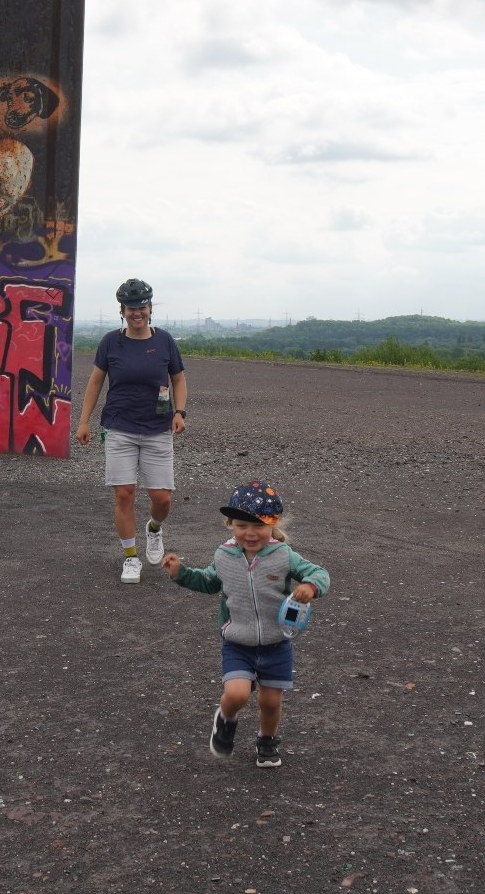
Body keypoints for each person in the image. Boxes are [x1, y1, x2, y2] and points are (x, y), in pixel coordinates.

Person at [161, 480, 331, 768]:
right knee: (237, 694)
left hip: (277, 642)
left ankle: (267, 740)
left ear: (273, 524)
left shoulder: (283, 555)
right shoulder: (223, 556)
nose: (250, 533)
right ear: (230, 524)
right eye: (241, 525)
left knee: (270, 702)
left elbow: (319, 573)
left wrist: (311, 588)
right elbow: (207, 582)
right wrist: (181, 573)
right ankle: (225, 719)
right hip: (237, 642)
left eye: (258, 526)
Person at [75, 278, 187, 583]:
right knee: (124, 493)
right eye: (131, 308)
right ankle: (130, 557)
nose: (137, 312)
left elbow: (178, 378)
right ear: (122, 311)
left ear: (150, 309)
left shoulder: (164, 341)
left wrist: (179, 411)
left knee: (162, 498)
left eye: (142, 307)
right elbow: (96, 381)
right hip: (119, 426)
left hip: (157, 427)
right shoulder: (111, 342)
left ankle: (153, 528)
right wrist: (84, 420)